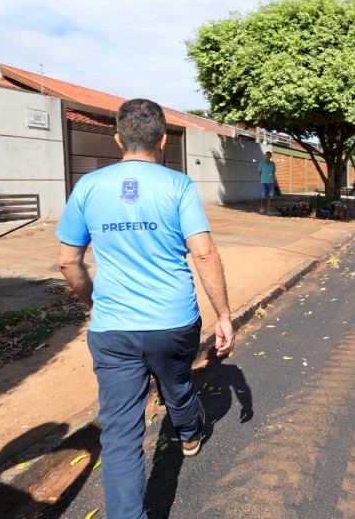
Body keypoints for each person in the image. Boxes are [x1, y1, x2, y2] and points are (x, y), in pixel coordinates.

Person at [56, 98, 235, 519]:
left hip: (113, 328)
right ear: (163, 140)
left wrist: (94, 301)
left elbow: (68, 260)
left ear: (117, 138)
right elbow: (204, 255)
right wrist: (224, 315)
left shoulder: (87, 186)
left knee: (119, 434)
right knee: (175, 382)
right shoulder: (178, 186)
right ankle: (189, 434)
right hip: (172, 322)